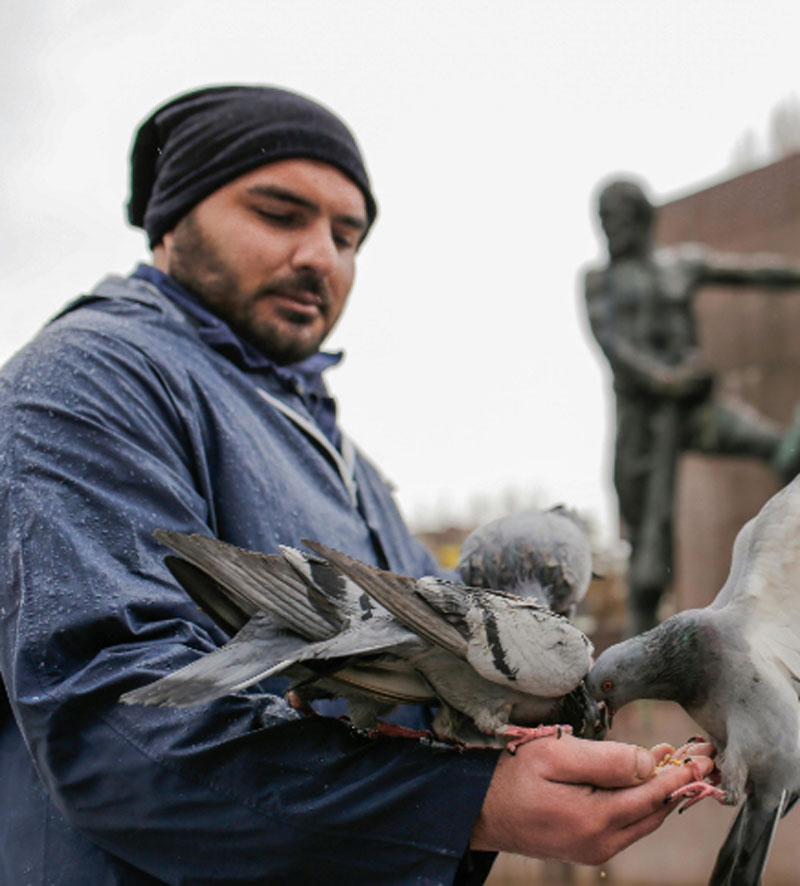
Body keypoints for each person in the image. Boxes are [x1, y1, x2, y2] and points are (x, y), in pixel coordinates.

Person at [0, 87, 713, 885]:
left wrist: (546, 720)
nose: (321, 257)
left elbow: (425, 694)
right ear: (172, 221)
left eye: (348, 235)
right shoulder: (87, 378)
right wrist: (469, 803)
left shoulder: (340, 452)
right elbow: (115, 727)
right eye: (279, 214)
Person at [585, 178, 800, 637]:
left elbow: (752, 273)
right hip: (642, 425)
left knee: (783, 449)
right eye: (603, 219)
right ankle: (637, 686)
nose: (609, 229)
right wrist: (668, 380)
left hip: (698, 412)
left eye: (616, 217)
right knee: (646, 559)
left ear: (641, 217)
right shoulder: (598, 281)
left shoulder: (681, 266)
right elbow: (616, 349)